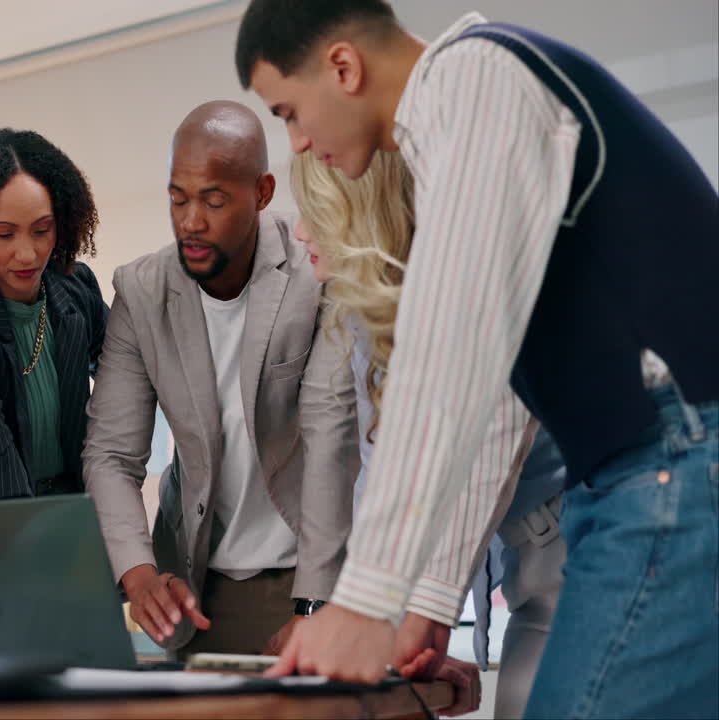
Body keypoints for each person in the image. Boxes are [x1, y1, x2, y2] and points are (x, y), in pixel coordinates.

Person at [236, 2, 719, 717]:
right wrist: (428, 599)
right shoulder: (467, 107)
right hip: (653, 468)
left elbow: (446, 366)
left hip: (673, 462)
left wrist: (366, 602)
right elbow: (497, 403)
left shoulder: (475, 83)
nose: (300, 143)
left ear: (343, 66)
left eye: (290, 111)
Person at [289, 149, 567, 718]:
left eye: (315, 210)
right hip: (527, 556)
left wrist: (417, 619)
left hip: (581, 543)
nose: (298, 231)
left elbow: (478, 454)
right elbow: (386, 481)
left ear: (362, 215)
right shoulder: (372, 312)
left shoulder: (463, 286)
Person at [84, 100, 359, 657]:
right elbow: (112, 453)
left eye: (213, 199)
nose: (191, 220)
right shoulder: (140, 291)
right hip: (199, 580)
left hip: (314, 568)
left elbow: (332, 435)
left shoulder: (315, 269)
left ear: (261, 193)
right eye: (177, 198)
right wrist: (140, 577)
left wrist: (314, 604)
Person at [0, 129, 107, 501]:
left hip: (77, 504)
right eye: (5, 234)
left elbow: (127, 375)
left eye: (42, 230)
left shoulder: (76, 286)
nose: (27, 254)